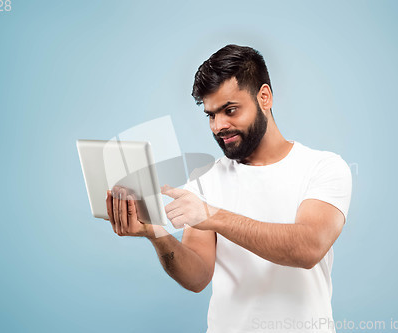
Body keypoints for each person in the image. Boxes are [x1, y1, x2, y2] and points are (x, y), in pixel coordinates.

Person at [105, 44, 352, 333]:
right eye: (211, 115)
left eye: (230, 110)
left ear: (264, 97)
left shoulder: (323, 167)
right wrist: (157, 235)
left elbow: (308, 248)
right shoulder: (205, 179)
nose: (219, 125)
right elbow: (197, 277)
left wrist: (211, 215)